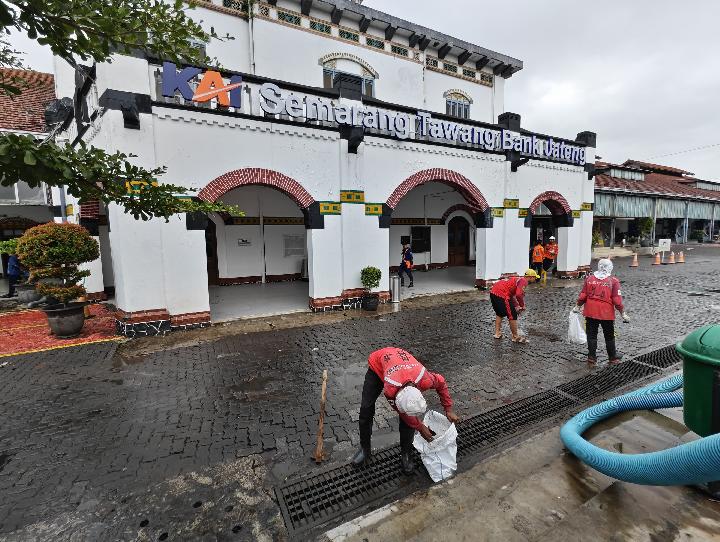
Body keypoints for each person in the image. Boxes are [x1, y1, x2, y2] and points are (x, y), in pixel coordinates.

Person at [352, 347, 459, 474]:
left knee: (408, 419)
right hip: (378, 364)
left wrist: (448, 409)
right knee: (366, 408)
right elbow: (403, 413)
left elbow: (441, 382)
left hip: (403, 366)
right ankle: (365, 449)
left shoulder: (425, 379)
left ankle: (406, 454)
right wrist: (420, 426)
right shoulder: (390, 391)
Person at [573, 259, 630, 365]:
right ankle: (612, 357)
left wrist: (577, 306)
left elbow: (583, 296)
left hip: (590, 312)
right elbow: (617, 301)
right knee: (609, 335)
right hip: (606, 314)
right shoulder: (613, 281)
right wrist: (622, 313)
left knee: (591, 335)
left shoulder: (589, 279)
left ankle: (591, 357)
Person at [490, 269, 539, 343]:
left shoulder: (518, 279)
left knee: (499, 313)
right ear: (531, 277)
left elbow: (512, 295)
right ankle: (515, 336)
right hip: (501, 293)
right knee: (512, 314)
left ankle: (497, 333)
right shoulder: (524, 281)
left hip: (494, 291)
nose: (535, 279)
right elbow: (519, 295)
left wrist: (517, 305)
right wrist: (522, 306)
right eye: (535, 277)